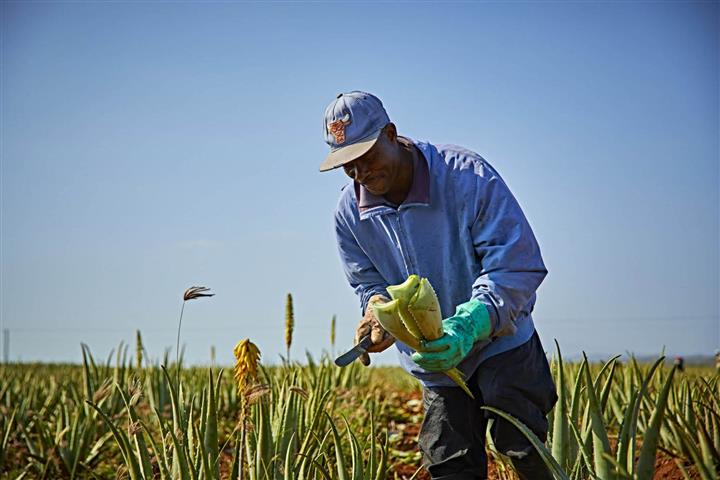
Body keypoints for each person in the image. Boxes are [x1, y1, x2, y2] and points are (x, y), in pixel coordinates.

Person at [320, 91, 557, 480]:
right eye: (347, 166)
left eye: (367, 157)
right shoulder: (349, 214)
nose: (360, 173)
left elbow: (516, 265)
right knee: (450, 464)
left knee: (524, 450)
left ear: (391, 134)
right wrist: (377, 315)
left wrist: (468, 324)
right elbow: (367, 281)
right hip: (433, 361)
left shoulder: (466, 177)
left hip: (502, 342)